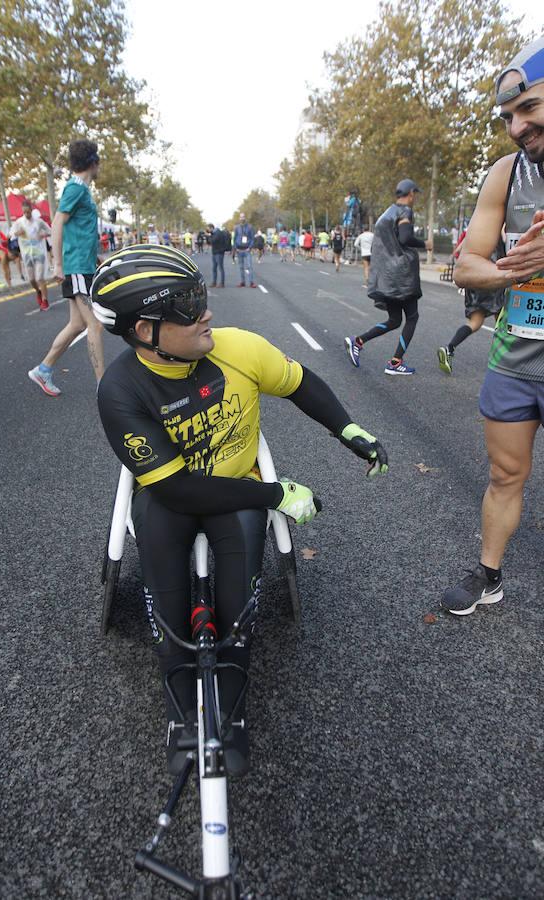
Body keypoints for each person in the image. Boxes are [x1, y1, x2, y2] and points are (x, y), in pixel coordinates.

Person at [93, 243, 388, 775]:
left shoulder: (239, 348)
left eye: (199, 294)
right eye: (186, 304)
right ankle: (181, 706)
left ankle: (231, 706)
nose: (206, 310)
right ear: (144, 331)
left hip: (234, 493)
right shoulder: (119, 389)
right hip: (171, 496)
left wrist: (349, 431)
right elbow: (180, 491)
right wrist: (275, 495)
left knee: (237, 605)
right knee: (161, 547)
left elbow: (301, 385)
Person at [441, 36, 544, 616]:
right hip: (516, 352)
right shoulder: (507, 174)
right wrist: (510, 270)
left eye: (528, 108)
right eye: (508, 116)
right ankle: (489, 575)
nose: (515, 127)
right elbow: (467, 265)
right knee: (505, 472)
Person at [28, 138, 104, 397]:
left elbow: (79, 229)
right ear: (94, 162)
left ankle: (44, 369)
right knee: (95, 324)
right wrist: (57, 262)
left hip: (83, 264)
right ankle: (102, 386)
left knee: (77, 324)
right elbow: (58, 221)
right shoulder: (76, 189)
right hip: (76, 267)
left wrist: (95, 256)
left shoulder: (81, 188)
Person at [344, 178, 433, 376]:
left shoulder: (386, 213)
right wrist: (424, 244)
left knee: (394, 320)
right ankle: (395, 362)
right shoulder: (404, 212)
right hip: (401, 276)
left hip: (386, 276)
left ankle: (357, 341)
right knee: (412, 317)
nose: (414, 198)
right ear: (410, 193)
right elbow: (405, 238)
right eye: (414, 194)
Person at [438, 238, 506, 375]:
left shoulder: (477, 226)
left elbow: (458, 250)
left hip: (474, 277)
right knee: (501, 320)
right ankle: (502, 361)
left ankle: (450, 348)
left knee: (474, 322)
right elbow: (506, 238)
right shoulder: (499, 220)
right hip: (493, 275)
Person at [11, 199, 52, 310]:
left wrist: (43, 234)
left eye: (28, 212)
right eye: (24, 212)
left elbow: (50, 231)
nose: (26, 214)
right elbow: (11, 234)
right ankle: (38, 291)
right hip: (27, 255)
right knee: (31, 279)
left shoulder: (39, 222)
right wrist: (16, 233)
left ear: (31, 210)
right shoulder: (19, 222)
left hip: (39, 253)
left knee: (40, 277)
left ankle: (45, 300)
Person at [234, 212, 256, 288]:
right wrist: (235, 247)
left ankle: (251, 282)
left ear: (245, 218)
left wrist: (249, 247)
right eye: (241, 217)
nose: (242, 218)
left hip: (247, 250)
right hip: (239, 250)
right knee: (241, 267)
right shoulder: (236, 227)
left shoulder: (250, 227)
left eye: (243, 217)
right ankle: (242, 282)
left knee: (249, 266)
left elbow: (252, 238)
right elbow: (235, 238)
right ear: (239, 218)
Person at [208, 222, 226, 287]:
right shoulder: (215, 233)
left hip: (219, 253)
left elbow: (212, 241)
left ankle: (222, 283)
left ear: (211, 228)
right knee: (214, 268)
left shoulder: (218, 233)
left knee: (220, 268)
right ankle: (214, 282)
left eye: (209, 229)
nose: (208, 231)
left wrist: (209, 236)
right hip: (215, 252)